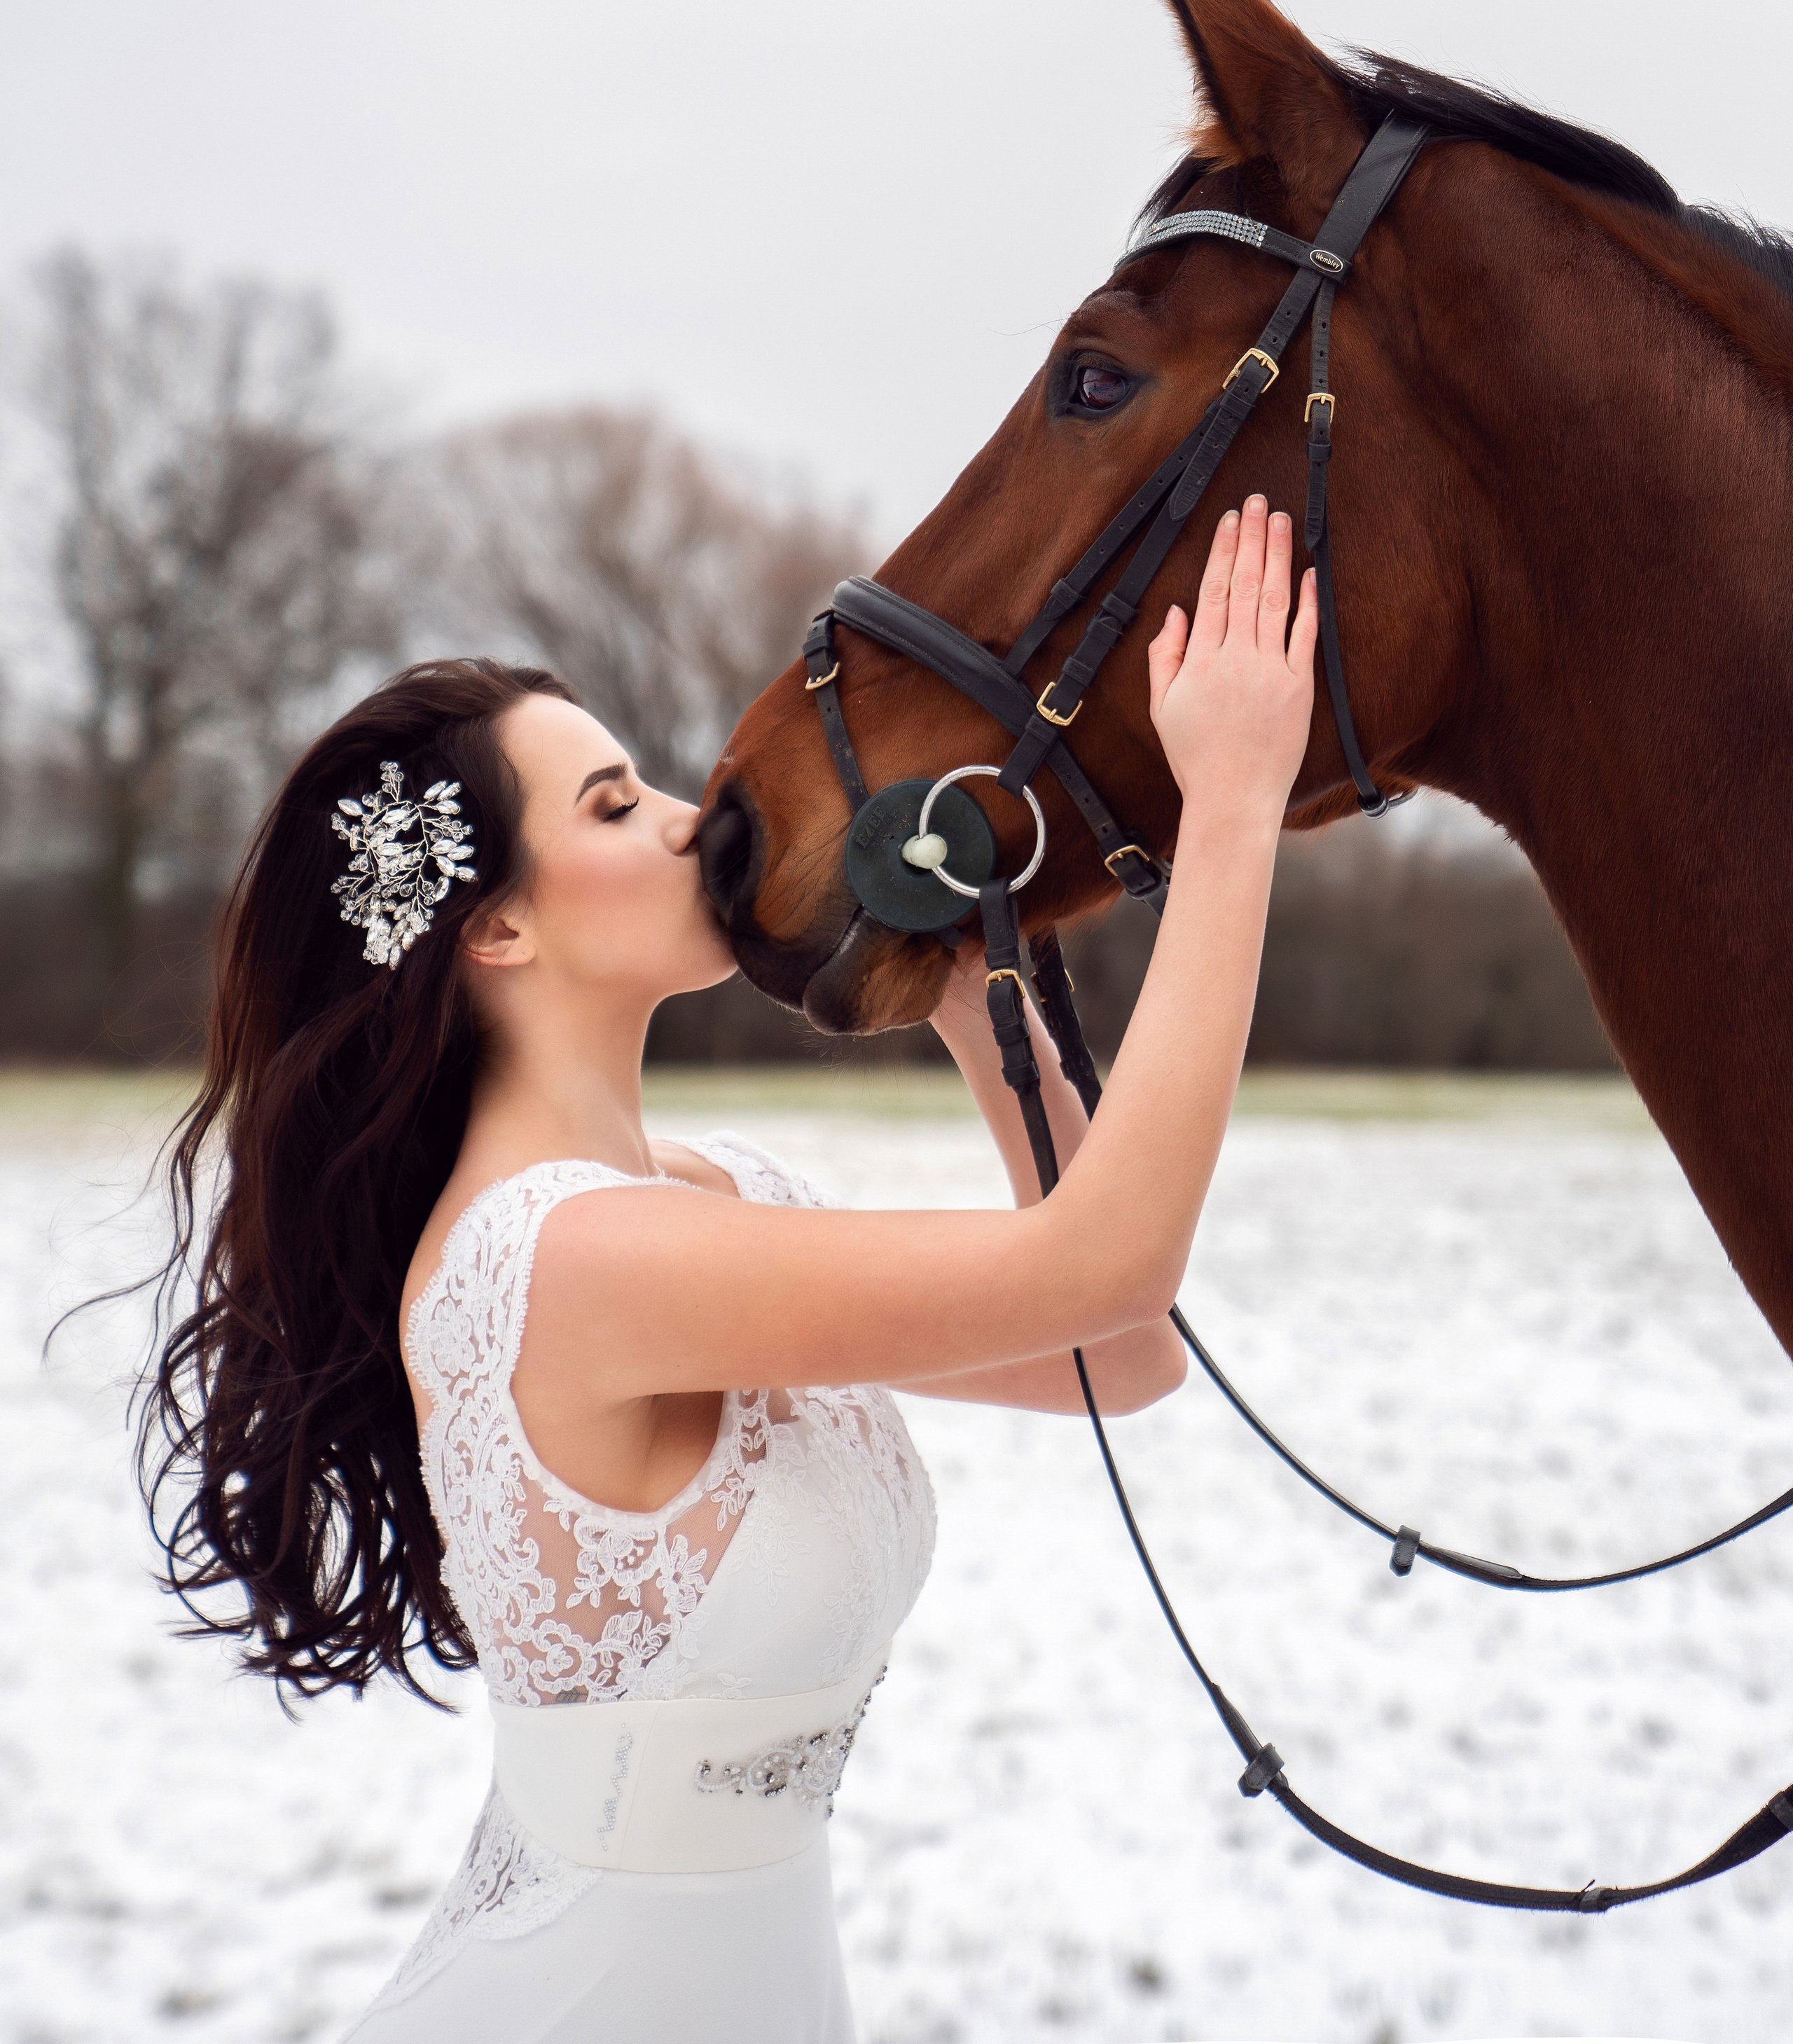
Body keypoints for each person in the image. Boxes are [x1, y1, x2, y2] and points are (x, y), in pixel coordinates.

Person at [142, 496, 1316, 2043]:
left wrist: (987, 1021)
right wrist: (1228, 810)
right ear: (493, 927)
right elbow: (1111, 1264)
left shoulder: (704, 1197)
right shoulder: (560, 1258)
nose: (693, 815)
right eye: (615, 806)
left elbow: (1121, 1351)